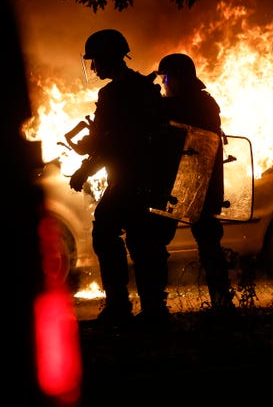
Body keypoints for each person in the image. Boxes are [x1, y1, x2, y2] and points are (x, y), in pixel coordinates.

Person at [69, 29, 178, 327]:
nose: (94, 67)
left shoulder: (113, 94)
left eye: (96, 60)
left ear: (108, 58)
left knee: (106, 233)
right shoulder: (145, 88)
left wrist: (83, 169)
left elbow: (108, 144)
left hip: (130, 180)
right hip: (151, 180)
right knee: (144, 242)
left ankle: (120, 306)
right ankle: (154, 308)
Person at [156, 53, 235, 310]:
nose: (165, 84)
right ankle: (222, 303)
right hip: (196, 184)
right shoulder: (205, 102)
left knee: (157, 242)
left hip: (192, 184)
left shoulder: (190, 105)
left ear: (177, 78)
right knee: (208, 244)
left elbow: (172, 123)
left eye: (166, 78)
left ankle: (157, 307)